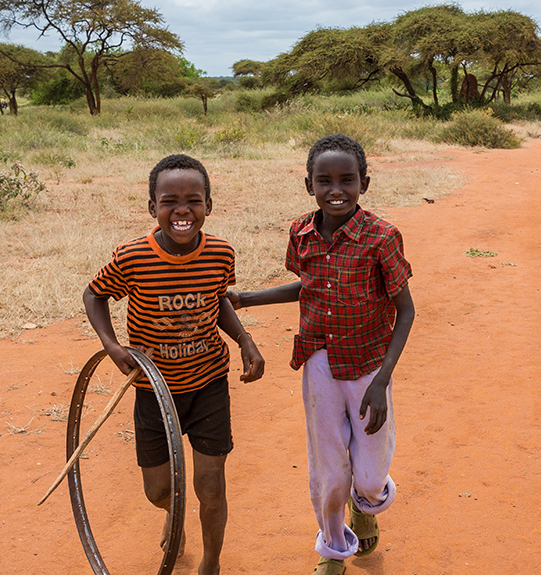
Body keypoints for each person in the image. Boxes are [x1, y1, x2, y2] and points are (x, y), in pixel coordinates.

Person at [229, 134, 415, 575]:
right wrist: (248, 299)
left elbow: (406, 310)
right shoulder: (301, 232)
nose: (336, 189)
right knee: (328, 468)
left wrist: (383, 382)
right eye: (324, 180)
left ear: (364, 184)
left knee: (368, 475)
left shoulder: (382, 237)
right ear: (308, 184)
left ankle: (366, 503)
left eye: (347, 180)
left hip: (369, 366)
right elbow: (310, 285)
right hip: (320, 362)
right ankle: (334, 549)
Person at [83, 153, 264, 575]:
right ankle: (174, 512)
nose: (182, 210)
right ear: (153, 208)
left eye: (193, 200)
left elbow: (217, 299)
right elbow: (94, 294)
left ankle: (211, 565)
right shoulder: (131, 258)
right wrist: (110, 345)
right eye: (169, 201)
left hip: (208, 385)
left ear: (207, 206)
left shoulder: (220, 253)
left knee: (211, 486)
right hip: (153, 391)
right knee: (159, 490)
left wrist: (244, 340)